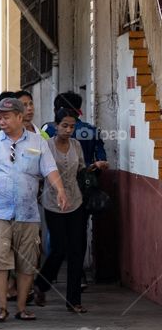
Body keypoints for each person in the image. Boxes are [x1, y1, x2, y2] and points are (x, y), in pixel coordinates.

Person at [0, 98, 68, 322]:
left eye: (6, 116)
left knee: (27, 262)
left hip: (28, 213)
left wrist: (60, 189)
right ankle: (1, 306)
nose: (1, 120)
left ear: (20, 117)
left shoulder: (38, 142)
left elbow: (49, 168)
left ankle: (21, 307)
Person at [34, 108, 107, 313]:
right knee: (59, 247)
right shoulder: (46, 146)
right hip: (52, 202)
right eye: (64, 125)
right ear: (55, 126)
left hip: (76, 201)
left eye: (72, 126)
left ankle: (74, 300)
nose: (68, 130)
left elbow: (81, 169)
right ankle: (41, 284)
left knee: (77, 249)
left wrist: (95, 166)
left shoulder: (76, 145)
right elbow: (40, 172)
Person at [41, 91, 107, 166]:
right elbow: (102, 161)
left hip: (54, 175)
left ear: (56, 111)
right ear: (78, 112)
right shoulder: (92, 130)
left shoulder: (48, 128)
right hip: (87, 176)